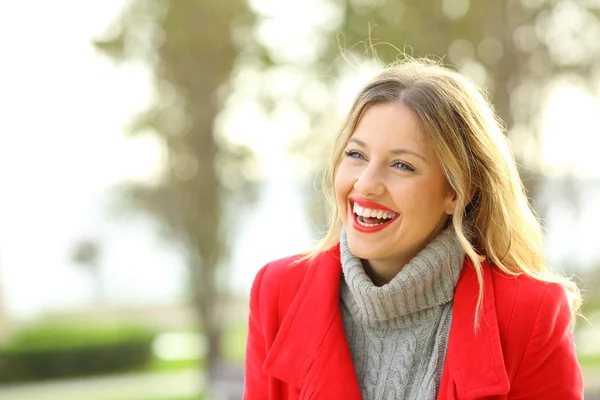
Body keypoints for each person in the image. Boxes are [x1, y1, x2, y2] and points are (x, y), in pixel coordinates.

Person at [243, 58, 583, 400]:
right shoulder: (277, 294)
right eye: (357, 155)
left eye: (402, 165)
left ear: (456, 191)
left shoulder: (529, 313)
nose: (366, 184)